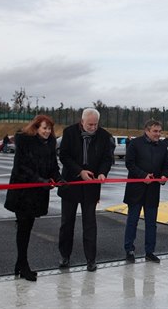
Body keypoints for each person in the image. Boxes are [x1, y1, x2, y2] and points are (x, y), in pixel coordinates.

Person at [4, 115, 63, 281]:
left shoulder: (50, 142)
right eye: (44, 128)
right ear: (36, 127)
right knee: (24, 227)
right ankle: (23, 266)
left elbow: (52, 164)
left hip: (38, 193)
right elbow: (22, 167)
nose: (47, 131)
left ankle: (20, 263)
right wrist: (40, 181)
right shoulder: (24, 140)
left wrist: (58, 178)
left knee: (27, 227)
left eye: (49, 128)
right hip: (23, 192)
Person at [57, 108, 114, 272]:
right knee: (67, 223)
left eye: (95, 124)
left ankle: (91, 259)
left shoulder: (104, 136)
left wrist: (103, 172)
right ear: (82, 121)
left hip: (91, 186)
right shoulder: (69, 133)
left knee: (90, 224)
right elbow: (64, 156)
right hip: (70, 185)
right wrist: (79, 172)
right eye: (90, 124)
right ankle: (64, 256)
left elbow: (107, 158)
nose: (93, 127)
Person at [123, 120, 168, 264]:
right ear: (147, 131)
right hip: (136, 189)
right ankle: (129, 250)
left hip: (153, 190)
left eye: (159, 131)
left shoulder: (163, 146)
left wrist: (164, 176)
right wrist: (142, 176)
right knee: (133, 221)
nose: (158, 134)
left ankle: (150, 251)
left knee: (151, 223)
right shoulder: (135, 143)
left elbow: (166, 165)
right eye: (155, 131)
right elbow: (129, 163)